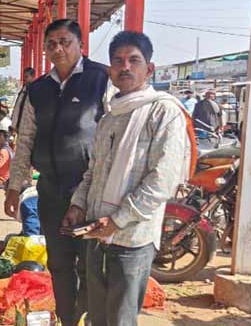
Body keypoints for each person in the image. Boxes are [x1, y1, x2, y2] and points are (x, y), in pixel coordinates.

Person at [64, 32, 190, 326]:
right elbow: (93, 171)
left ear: (150, 69)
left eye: (134, 60)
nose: (125, 67)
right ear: (110, 70)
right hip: (95, 233)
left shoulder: (163, 111)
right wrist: (77, 204)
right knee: (97, 316)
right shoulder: (110, 117)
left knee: (121, 318)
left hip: (132, 237)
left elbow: (163, 180)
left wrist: (118, 219)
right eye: (118, 61)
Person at [5, 19, 110, 326]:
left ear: (80, 45)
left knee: (90, 263)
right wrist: (14, 186)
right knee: (59, 261)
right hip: (51, 188)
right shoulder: (37, 89)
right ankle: (67, 318)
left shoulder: (101, 79)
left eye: (65, 41)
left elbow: (115, 132)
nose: (57, 49)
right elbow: (24, 141)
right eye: (51, 43)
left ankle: (90, 318)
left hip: (91, 190)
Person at [11, 67, 36, 132]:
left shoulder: (36, 91)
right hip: (22, 126)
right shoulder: (24, 90)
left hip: (30, 127)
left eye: (26, 77)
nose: (24, 79)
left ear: (33, 76)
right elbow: (18, 107)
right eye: (24, 77)